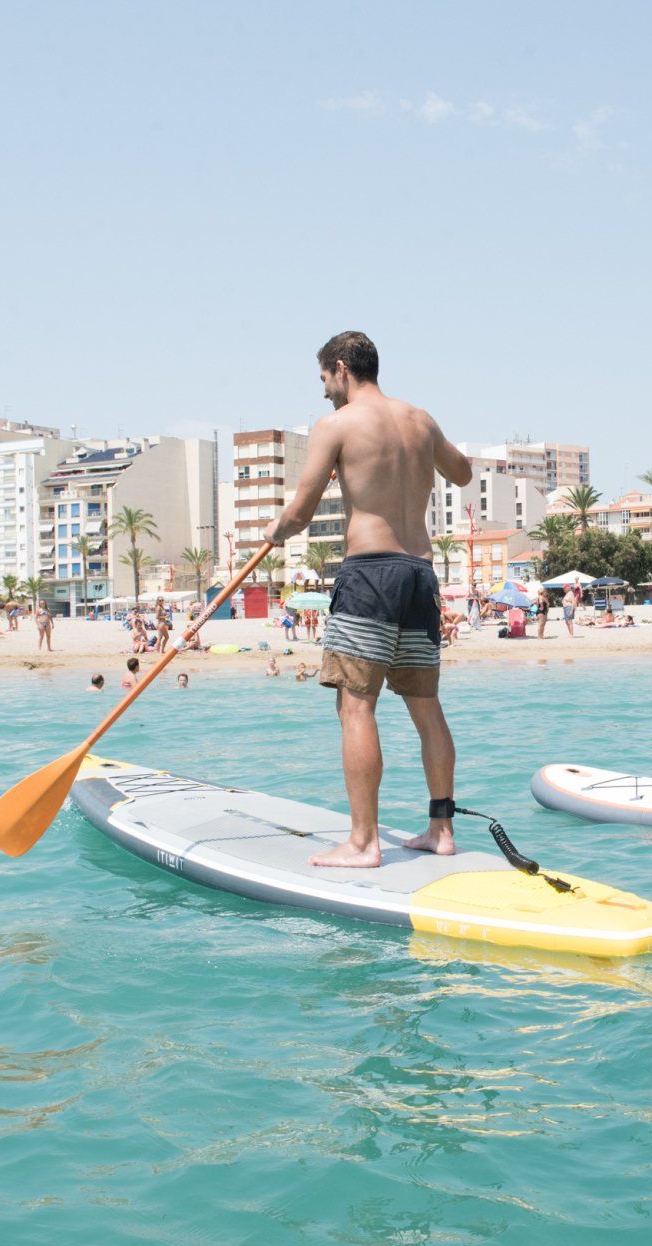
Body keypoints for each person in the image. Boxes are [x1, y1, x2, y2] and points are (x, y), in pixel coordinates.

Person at [262, 330, 472, 867]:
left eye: (324, 380)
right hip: (420, 574)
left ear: (340, 368)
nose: (323, 392)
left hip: (371, 573)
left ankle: (363, 842)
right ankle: (441, 831)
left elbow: (302, 512)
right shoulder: (419, 420)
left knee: (355, 705)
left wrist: (275, 532)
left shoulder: (336, 425)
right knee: (426, 707)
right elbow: (464, 472)